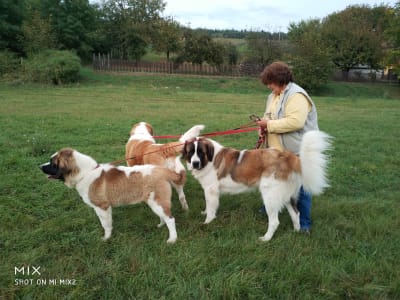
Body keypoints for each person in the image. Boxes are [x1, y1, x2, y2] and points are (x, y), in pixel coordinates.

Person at [256, 61, 319, 234]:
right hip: (277, 151)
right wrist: (262, 128)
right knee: (272, 179)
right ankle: (268, 206)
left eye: (270, 83)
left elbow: (295, 122)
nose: (269, 87)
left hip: (299, 149)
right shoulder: (274, 95)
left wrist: (268, 125)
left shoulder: (297, 95)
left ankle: (304, 222)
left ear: (280, 80)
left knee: (301, 186)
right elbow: (267, 117)